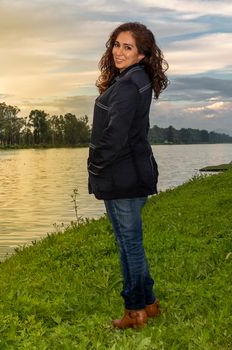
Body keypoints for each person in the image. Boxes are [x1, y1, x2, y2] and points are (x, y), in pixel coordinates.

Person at [87, 22, 168, 330]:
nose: (118, 52)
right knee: (130, 242)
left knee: (128, 245)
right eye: (116, 45)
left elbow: (115, 136)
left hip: (122, 176)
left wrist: (95, 166)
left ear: (142, 55)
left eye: (127, 47)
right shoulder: (136, 80)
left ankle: (134, 311)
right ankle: (149, 303)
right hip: (131, 173)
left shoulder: (128, 85)